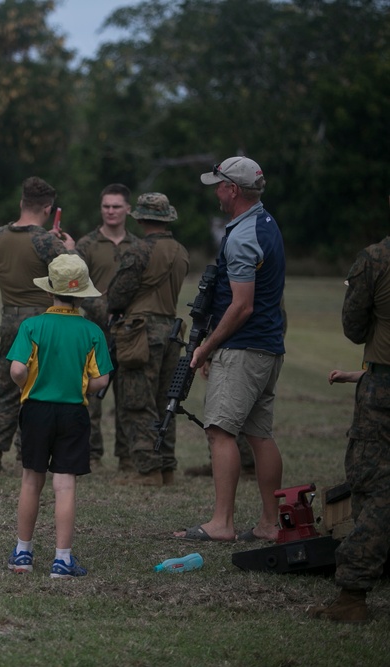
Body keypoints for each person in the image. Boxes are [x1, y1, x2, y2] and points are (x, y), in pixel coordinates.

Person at [174, 156, 285, 542]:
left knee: (220, 431)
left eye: (219, 185)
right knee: (259, 434)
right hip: (268, 346)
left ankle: (222, 523)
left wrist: (206, 347)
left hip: (243, 348)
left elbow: (242, 305)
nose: (216, 192)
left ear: (233, 190)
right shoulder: (266, 223)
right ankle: (270, 523)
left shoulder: (240, 237)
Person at [6, 254, 112, 578]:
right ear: (81, 294)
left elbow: (17, 369)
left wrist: (29, 383)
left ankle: (23, 554)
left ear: (50, 290)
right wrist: (80, 385)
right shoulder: (92, 331)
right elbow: (101, 380)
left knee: (30, 480)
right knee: (64, 486)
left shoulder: (32, 326)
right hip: (73, 413)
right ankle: (62, 560)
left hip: (36, 409)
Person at [309, 204, 390, 623]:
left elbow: (354, 327)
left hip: (384, 390)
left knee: (375, 490)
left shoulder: (376, 258)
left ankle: (353, 596)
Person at [0, 176, 74, 473]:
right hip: (42, 320)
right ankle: (27, 454)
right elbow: (72, 277)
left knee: (7, 384)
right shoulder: (47, 241)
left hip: (9, 318)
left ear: (22, 202)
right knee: (38, 389)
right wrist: (69, 249)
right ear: (48, 208)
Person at [105, 193, 189, 486]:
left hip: (141, 332)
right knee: (165, 402)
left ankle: (147, 470)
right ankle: (166, 467)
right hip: (172, 332)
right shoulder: (180, 251)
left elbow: (117, 296)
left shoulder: (139, 250)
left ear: (140, 218)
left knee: (137, 401)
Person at [74, 184, 140, 470]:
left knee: (129, 398)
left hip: (129, 334)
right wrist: (104, 310)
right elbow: (75, 286)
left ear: (128, 209)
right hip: (93, 331)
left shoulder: (138, 246)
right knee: (89, 397)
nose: (111, 211)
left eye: (116, 206)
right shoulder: (85, 245)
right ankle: (91, 455)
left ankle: (127, 457)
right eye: (106, 206)